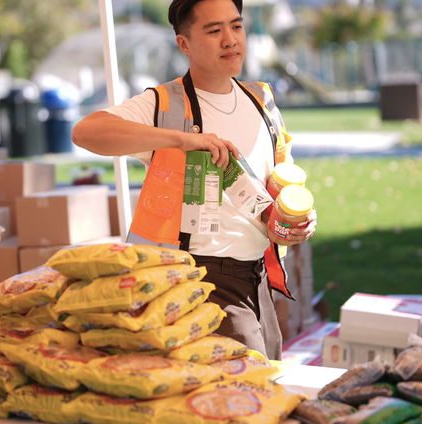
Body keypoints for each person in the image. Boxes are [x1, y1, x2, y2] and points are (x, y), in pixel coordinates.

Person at [72, 0, 316, 359]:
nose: (230, 40)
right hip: (200, 281)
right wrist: (182, 140)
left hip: (257, 278)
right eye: (214, 31)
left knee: (265, 396)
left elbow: (277, 187)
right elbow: (86, 131)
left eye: (236, 26)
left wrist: (292, 221)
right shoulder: (164, 105)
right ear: (184, 44)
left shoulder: (261, 100)